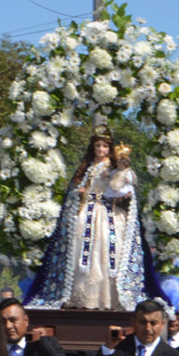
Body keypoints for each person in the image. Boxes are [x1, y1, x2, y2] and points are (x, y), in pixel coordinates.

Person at [25, 132, 160, 310]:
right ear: (93, 147)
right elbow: (75, 190)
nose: (101, 150)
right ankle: (82, 296)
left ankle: (108, 298)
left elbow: (121, 187)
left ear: (109, 149)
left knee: (106, 246)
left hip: (108, 213)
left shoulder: (114, 167)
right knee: (81, 250)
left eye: (104, 146)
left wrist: (118, 175)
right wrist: (79, 192)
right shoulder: (87, 167)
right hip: (86, 213)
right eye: (98, 146)